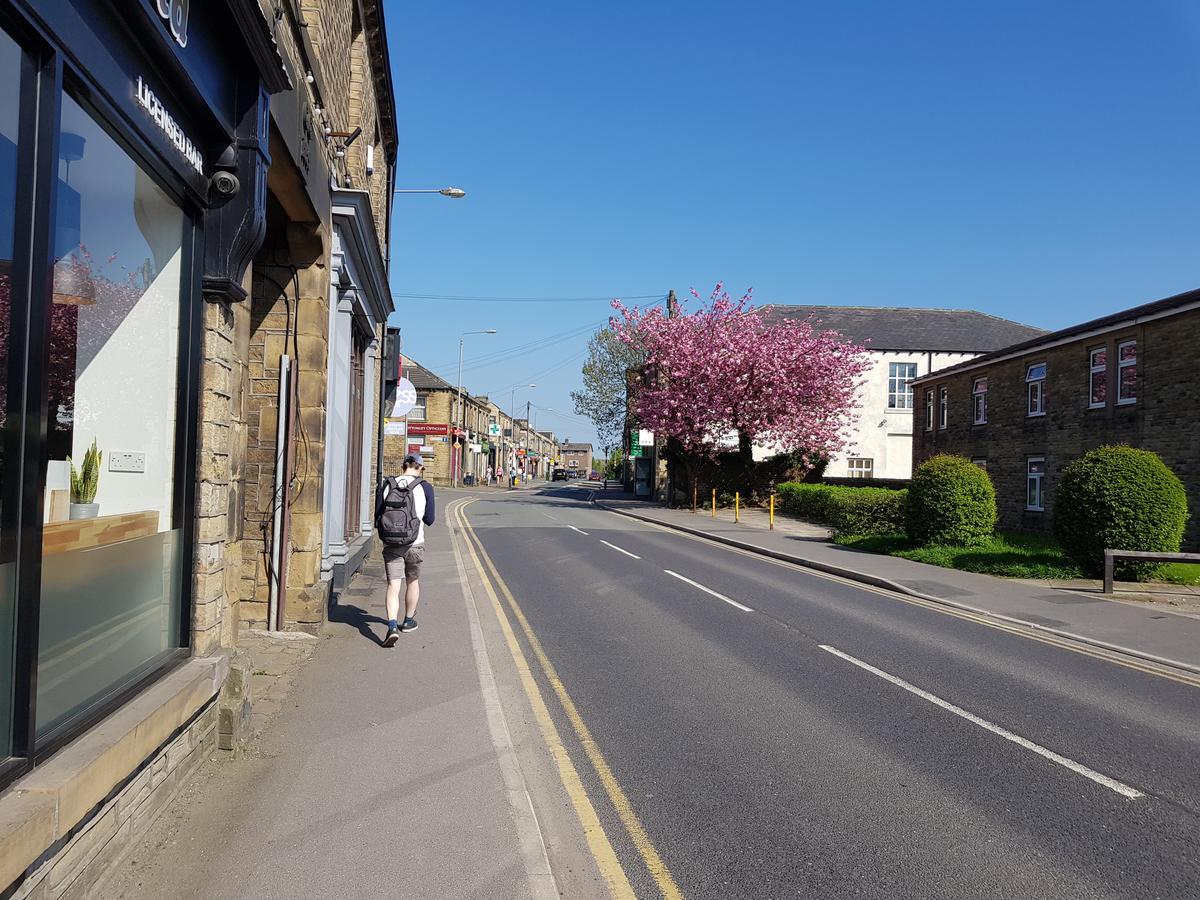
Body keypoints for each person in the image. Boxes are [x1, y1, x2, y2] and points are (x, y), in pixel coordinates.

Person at [375, 454, 435, 646]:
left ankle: (392, 626)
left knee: (393, 585)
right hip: (415, 542)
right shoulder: (424, 486)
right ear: (420, 468)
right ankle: (408, 621)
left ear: (403, 466)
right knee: (412, 581)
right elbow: (430, 519)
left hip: (392, 543)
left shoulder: (387, 484)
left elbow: (378, 515)